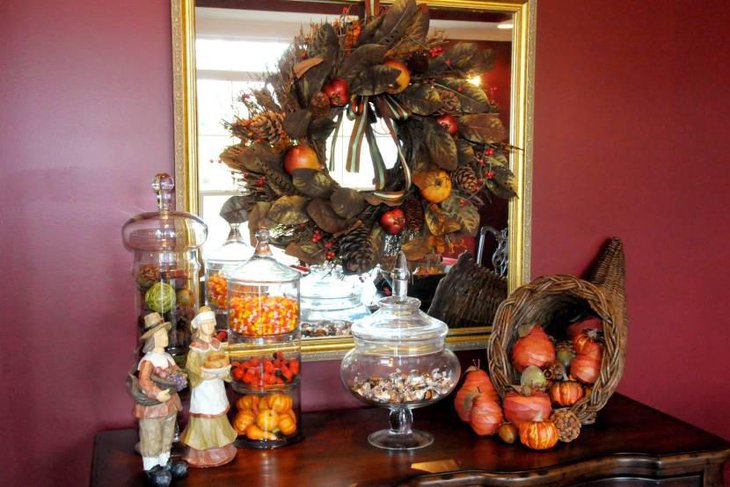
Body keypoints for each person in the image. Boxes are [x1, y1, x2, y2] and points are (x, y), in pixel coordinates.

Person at [133, 312, 188, 486]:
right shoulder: (148, 361)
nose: (166, 337)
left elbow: (177, 371)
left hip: (170, 404)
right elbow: (144, 382)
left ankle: (165, 462)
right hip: (154, 407)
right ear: (152, 339)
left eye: (165, 333)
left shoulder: (167, 357)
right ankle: (152, 467)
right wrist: (157, 393)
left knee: (167, 434)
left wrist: (180, 377)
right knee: (152, 435)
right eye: (161, 334)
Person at [181, 307, 237, 467]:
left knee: (218, 412)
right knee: (205, 413)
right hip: (203, 388)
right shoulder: (196, 348)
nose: (209, 327)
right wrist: (203, 374)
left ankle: (221, 449)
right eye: (205, 324)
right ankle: (203, 453)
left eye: (211, 323)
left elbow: (224, 361)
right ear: (198, 326)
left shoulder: (217, 344)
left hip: (217, 386)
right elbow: (191, 368)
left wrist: (224, 372)